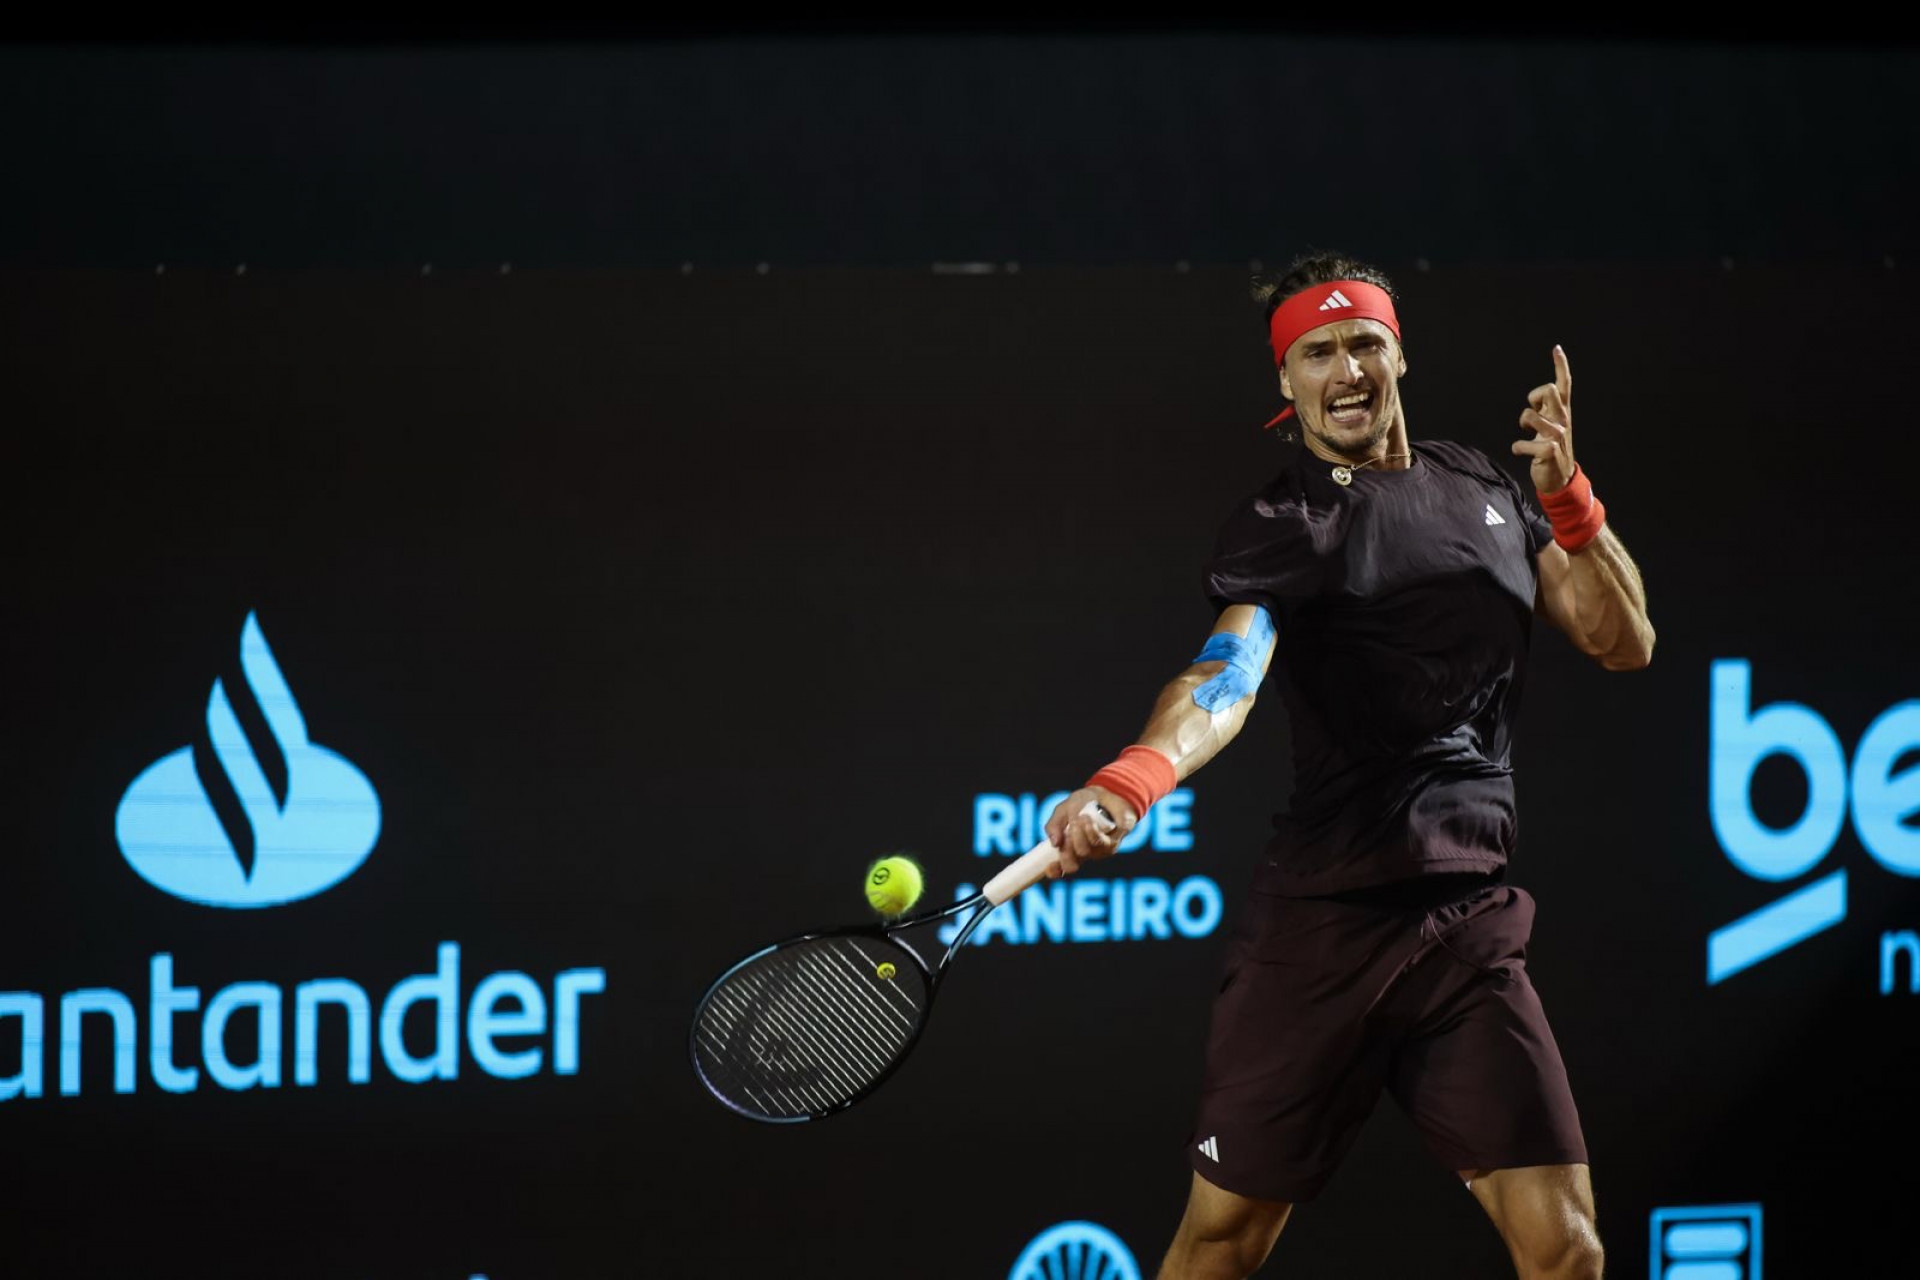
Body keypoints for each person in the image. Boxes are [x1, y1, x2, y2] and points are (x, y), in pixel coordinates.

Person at [1042, 251, 1653, 1280]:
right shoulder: (1287, 526)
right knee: (1221, 1247)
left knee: (1568, 1249)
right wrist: (1133, 778)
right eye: (1317, 352)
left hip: (1465, 925)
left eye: (1364, 343)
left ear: (1399, 355)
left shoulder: (1480, 483)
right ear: (1286, 379)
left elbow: (1623, 638)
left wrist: (1569, 500)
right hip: (1324, 931)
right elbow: (1226, 675)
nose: (1346, 370)